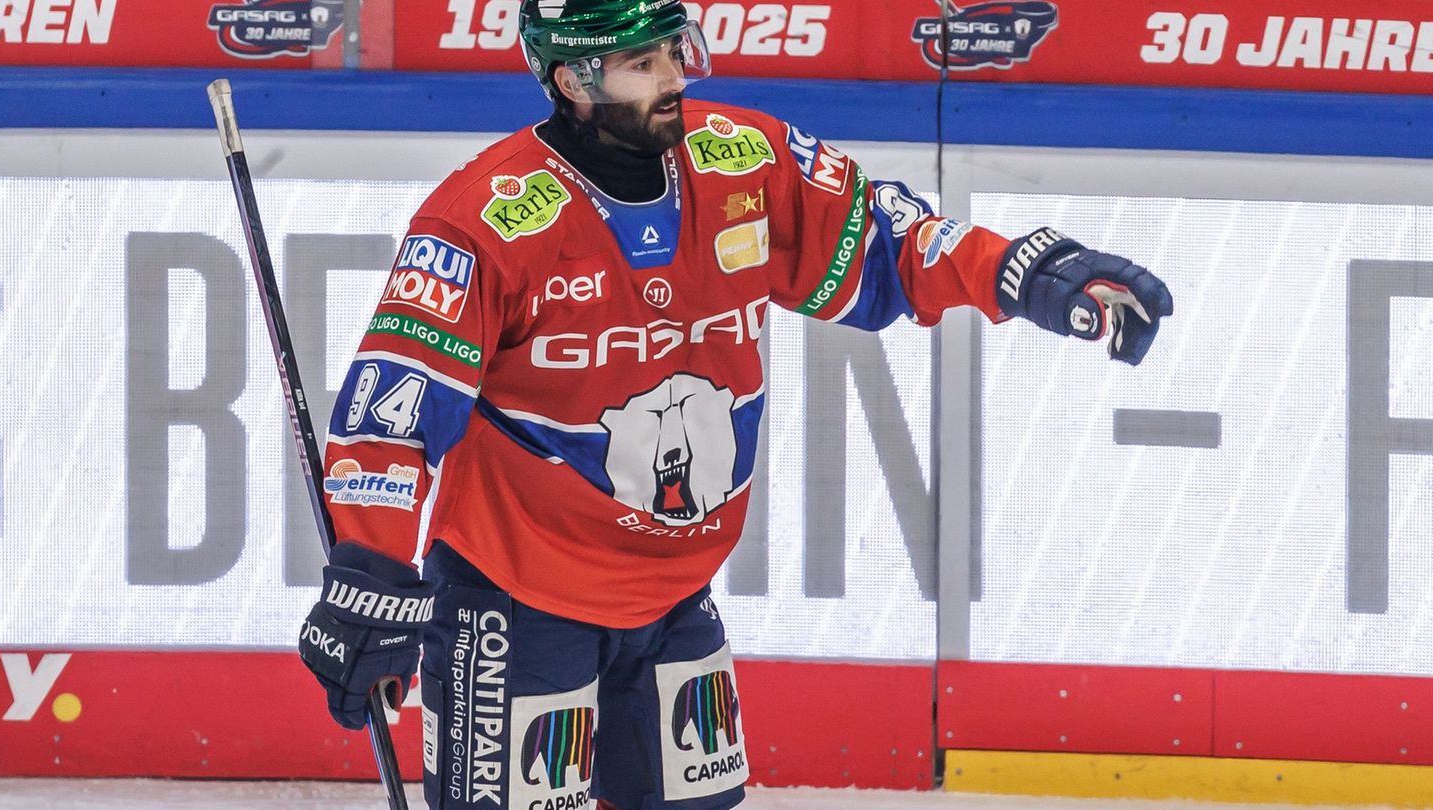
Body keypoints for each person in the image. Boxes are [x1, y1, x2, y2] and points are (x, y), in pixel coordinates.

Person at [296, 2, 1174, 808]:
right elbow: (390, 417)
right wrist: (369, 579)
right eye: (643, 63)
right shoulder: (483, 219)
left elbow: (887, 241)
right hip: (516, 605)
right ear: (573, 81)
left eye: (673, 51)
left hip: (674, 598)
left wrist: (1019, 271)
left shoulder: (742, 160)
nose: (676, 76)